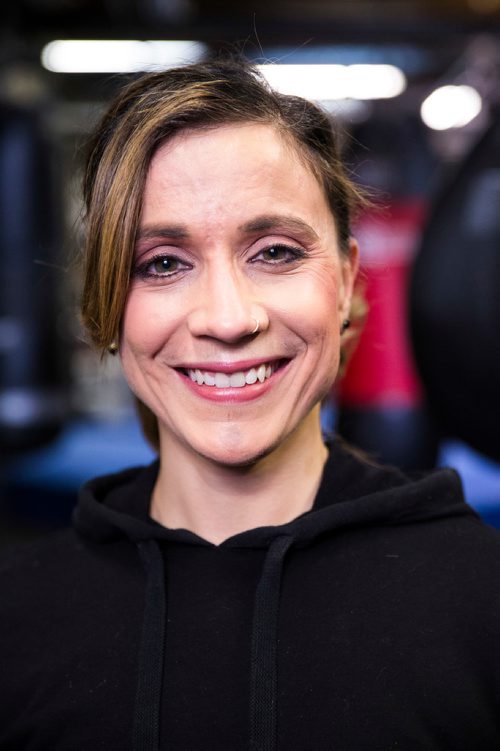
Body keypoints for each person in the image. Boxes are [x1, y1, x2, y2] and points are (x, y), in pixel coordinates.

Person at [1, 58, 499, 751]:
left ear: (348, 281)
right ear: (110, 304)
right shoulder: (19, 617)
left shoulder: (480, 599)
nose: (228, 319)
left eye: (274, 252)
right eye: (164, 263)